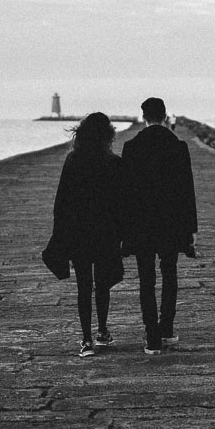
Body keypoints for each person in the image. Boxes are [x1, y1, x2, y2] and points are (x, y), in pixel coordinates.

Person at [119, 96, 197, 354]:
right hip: (171, 224)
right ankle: (167, 328)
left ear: (144, 117)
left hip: (141, 224)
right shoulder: (179, 146)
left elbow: (126, 193)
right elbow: (187, 191)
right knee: (169, 274)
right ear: (164, 116)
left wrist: (124, 230)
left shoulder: (131, 147)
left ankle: (152, 337)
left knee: (146, 279)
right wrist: (189, 230)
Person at [49, 112, 126, 356]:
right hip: (106, 233)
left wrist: (60, 235)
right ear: (107, 135)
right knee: (102, 284)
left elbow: (61, 202)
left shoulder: (73, 160)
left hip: (79, 233)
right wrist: (123, 235)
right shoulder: (114, 163)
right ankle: (102, 331)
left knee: (84, 285)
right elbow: (122, 204)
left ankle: (86, 341)